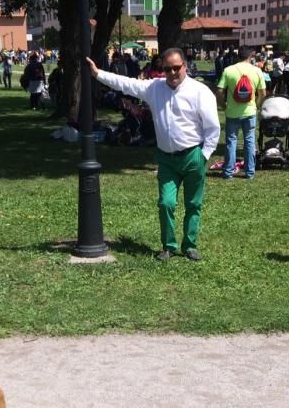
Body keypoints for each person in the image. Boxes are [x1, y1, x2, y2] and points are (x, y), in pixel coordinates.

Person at [86, 48, 220, 261]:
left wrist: (204, 155)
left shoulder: (200, 91)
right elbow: (126, 84)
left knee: (193, 204)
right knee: (166, 203)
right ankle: (168, 245)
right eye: (167, 69)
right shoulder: (154, 88)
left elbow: (213, 128)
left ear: (185, 66)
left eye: (177, 68)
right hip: (166, 159)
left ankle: (190, 245)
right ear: (162, 69)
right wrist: (97, 74)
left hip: (193, 156)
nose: (173, 73)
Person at [216, 48, 265, 179]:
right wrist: (256, 105)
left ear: (238, 56)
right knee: (249, 141)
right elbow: (263, 93)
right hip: (250, 111)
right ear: (251, 55)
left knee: (231, 141)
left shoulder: (228, 70)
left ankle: (228, 172)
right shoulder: (257, 71)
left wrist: (224, 106)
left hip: (232, 112)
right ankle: (250, 172)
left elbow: (219, 91)